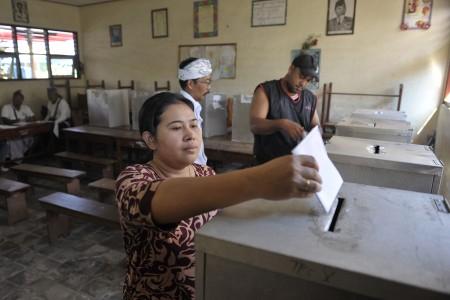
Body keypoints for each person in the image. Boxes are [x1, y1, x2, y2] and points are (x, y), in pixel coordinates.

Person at [116, 92, 322, 299]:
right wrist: (259, 180)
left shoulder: (204, 173)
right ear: (151, 140)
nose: (190, 135)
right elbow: (155, 200)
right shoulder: (133, 179)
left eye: (194, 125)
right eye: (177, 128)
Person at [250, 53, 321, 165]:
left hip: (298, 165)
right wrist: (281, 124)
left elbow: (316, 127)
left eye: (308, 80)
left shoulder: (310, 98)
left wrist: (315, 134)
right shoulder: (267, 91)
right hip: (268, 166)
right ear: (291, 69)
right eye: (301, 76)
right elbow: (254, 125)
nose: (303, 83)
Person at [178, 57, 212, 165]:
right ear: (190, 84)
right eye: (206, 82)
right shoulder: (183, 109)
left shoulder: (194, 106)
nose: (209, 88)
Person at [1, 90, 35, 161]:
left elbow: (33, 118)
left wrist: (30, 119)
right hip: (11, 132)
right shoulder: (6, 107)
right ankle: (17, 160)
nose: (16, 100)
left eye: (19, 99)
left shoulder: (25, 107)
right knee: (15, 140)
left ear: (22, 100)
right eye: (15, 99)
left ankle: (23, 157)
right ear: (13, 99)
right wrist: (19, 120)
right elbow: (5, 120)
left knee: (31, 137)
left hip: (25, 131)